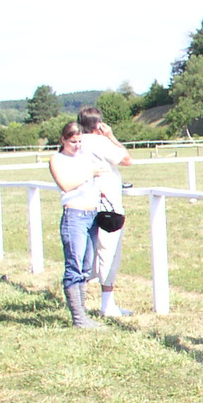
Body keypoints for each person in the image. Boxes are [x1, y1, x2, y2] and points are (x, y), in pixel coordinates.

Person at [47, 122, 110, 329]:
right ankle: (79, 318)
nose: (77, 145)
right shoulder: (57, 159)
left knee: (85, 266)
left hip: (91, 216)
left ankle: (82, 314)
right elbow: (65, 184)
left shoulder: (84, 159)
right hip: (74, 216)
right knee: (74, 266)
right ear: (63, 140)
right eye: (73, 141)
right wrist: (89, 173)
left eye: (80, 141)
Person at [76, 106, 134, 317]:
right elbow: (127, 159)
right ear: (99, 124)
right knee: (108, 253)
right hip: (107, 206)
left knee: (85, 252)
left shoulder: (76, 143)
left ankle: (79, 301)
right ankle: (107, 305)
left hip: (81, 204)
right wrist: (111, 136)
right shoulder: (101, 142)